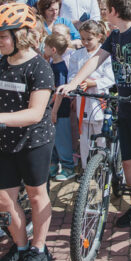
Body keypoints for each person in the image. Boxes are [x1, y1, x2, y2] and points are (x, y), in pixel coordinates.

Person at [58, 0, 131, 232]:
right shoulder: (115, 35)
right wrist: (75, 82)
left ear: (113, 10)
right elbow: (97, 58)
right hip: (126, 107)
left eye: (104, 10)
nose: (102, 14)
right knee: (128, 161)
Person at [0, 4, 56, 261]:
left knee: (36, 196)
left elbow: (35, 113)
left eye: (2, 37)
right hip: (4, 142)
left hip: (34, 141)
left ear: (20, 36)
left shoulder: (40, 68)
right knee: (3, 199)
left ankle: (39, 248)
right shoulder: (0, 64)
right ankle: (20, 246)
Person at [67, 20, 115, 169]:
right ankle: (85, 168)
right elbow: (72, 76)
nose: (85, 42)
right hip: (83, 100)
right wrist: (78, 84)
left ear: (99, 36)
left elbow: (110, 78)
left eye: (89, 39)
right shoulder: (77, 55)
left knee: (100, 136)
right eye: (83, 39)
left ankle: (101, 167)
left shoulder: (106, 54)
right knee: (84, 137)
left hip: (99, 101)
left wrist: (92, 83)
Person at [44, 32, 76, 180]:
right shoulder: (53, 64)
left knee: (62, 139)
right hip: (52, 109)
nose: (43, 49)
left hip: (60, 110)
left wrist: (54, 111)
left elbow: (60, 91)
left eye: (45, 46)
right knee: (53, 139)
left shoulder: (61, 67)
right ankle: (53, 164)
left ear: (53, 50)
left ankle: (68, 166)